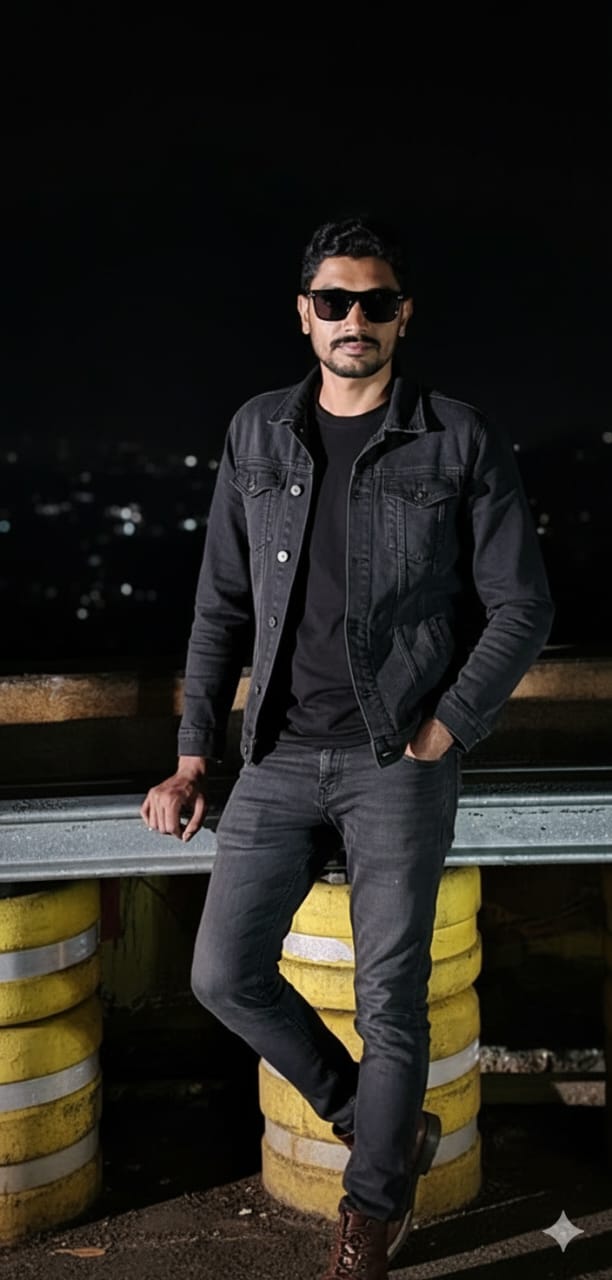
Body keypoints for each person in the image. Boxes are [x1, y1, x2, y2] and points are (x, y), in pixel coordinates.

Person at [140, 213, 554, 1278]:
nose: (354, 319)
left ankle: (372, 1208)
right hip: (274, 754)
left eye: (375, 302)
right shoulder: (256, 432)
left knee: (391, 1000)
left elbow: (522, 605)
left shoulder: (457, 437)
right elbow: (221, 605)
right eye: (335, 301)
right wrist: (193, 754)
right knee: (223, 972)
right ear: (304, 315)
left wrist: (444, 726)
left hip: (394, 758)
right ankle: (378, 1126)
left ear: (403, 316)